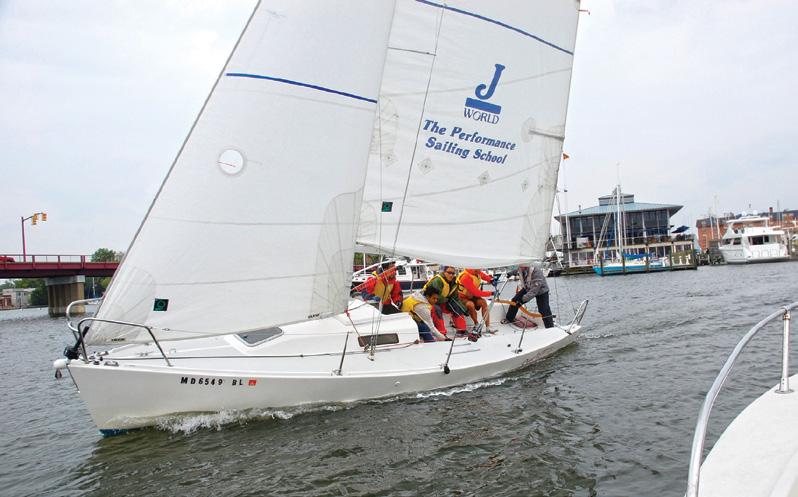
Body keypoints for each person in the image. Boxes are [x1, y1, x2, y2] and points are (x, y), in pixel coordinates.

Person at [422, 266, 467, 336]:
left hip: (442, 301)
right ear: (444, 272)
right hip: (429, 301)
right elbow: (434, 296)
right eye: (449, 273)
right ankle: (441, 332)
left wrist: (464, 309)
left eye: (453, 273)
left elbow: (455, 298)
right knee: (437, 309)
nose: (451, 275)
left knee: (456, 307)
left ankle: (462, 330)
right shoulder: (438, 281)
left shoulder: (454, 282)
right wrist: (446, 300)